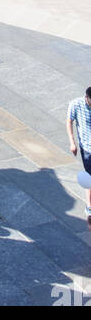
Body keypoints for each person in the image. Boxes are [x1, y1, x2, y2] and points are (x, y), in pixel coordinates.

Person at [66, 86, 91, 230]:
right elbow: (69, 121)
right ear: (87, 98)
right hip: (87, 149)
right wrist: (72, 142)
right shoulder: (76, 104)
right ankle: (89, 209)